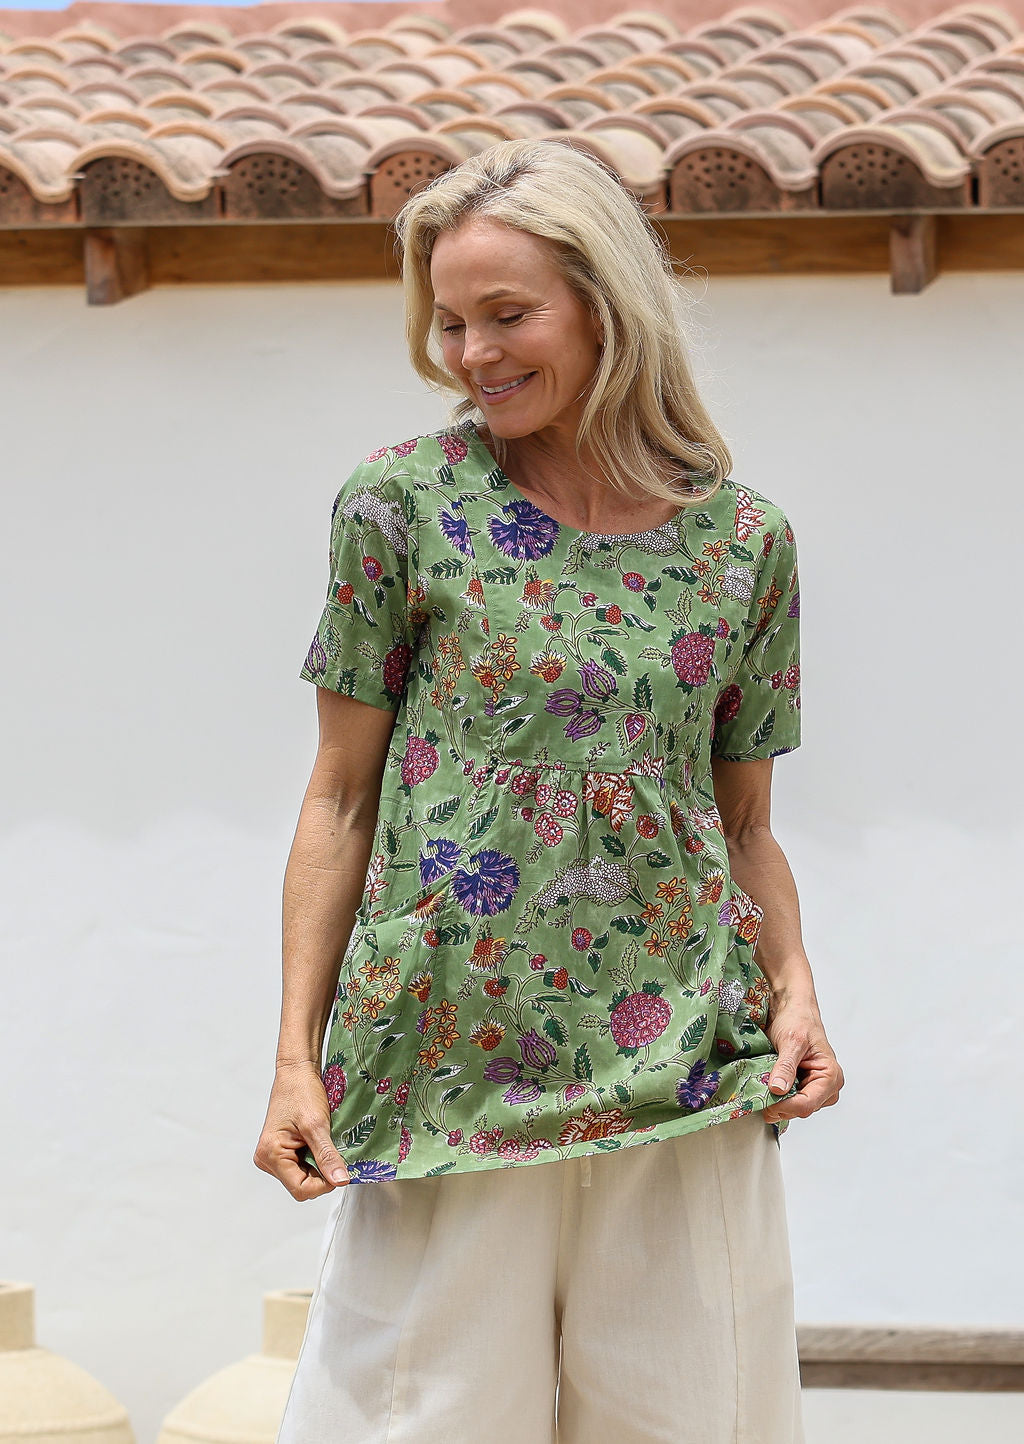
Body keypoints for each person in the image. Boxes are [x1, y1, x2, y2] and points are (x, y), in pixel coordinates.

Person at [256, 137, 844, 1444]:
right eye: (451, 323)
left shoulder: (744, 543)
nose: (473, 352)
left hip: (687, 1051)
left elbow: (742, 822)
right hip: (450, 1055)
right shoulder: (399, 507)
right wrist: (294, 1057)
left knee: (696, 1420)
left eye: (507, 316)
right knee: (418, 1419)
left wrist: (797, 991)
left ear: (606, 305)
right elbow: (341, 800)